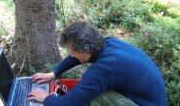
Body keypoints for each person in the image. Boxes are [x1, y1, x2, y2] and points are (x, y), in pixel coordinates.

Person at [28, 21, 167, 106]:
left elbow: (69, 103)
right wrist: (54, 73)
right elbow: (76, 57)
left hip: (146, 104)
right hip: (152, 99)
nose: (71, 55)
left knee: (95, 98)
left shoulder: (104, 70)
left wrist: (46, 98)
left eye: (72, 51)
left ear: (85, 50)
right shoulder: (107, 42)